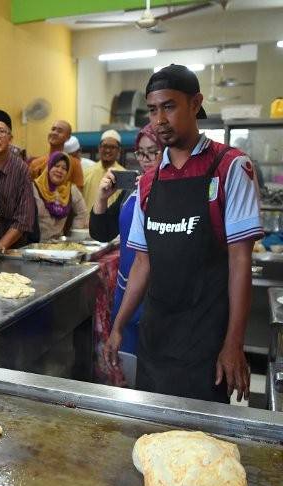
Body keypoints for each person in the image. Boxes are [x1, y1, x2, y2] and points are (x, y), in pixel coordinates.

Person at [105, 64, 262, 403]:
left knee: (202, 448)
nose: (159, 119)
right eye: (152, 109)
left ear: (195, 104)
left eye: (169, 106)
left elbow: (240, 260)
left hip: (205, 342)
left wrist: (234, 344)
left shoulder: (230, 167)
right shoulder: (149, 183)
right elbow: (142, 264)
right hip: (155, 337)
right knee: (151, 441)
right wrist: (119, 325)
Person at [90, 124, 162, 356]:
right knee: (128, 361)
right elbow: (103, 233)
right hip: (126, 289)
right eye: (141, 153)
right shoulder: (133, 188)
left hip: (158, 294)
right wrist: (102, 199)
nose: (146, 159)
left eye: (154, 151)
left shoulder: (174, 191)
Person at [0, 109, 36, 251]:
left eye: (1, 131)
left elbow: (24, 219)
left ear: (10, 138)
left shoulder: (21, 169)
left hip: (13, 249)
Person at [33, 152, 88, 240]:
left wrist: (73, 235)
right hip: (35, 244)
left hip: (58, 245)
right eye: (56, 166)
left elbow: (82, 212)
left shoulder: (70, 189)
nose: (59, 170)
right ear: (49, 167)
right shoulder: (34, 187)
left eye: (64, 168)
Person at [29, 120, 84, 189]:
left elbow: (78, 190)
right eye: (53, 129)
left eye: (59, 131)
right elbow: (28, 188)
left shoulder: (74, 163)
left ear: (68, 137)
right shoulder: (36, 163)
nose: (54, 133)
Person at [81, 130, 125, 212]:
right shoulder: (86, 172)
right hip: (88, 224)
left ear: (119, 150)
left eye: (112, 147)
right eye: (105, 146)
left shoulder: (124, 175)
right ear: (99, 148)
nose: (108, 150)